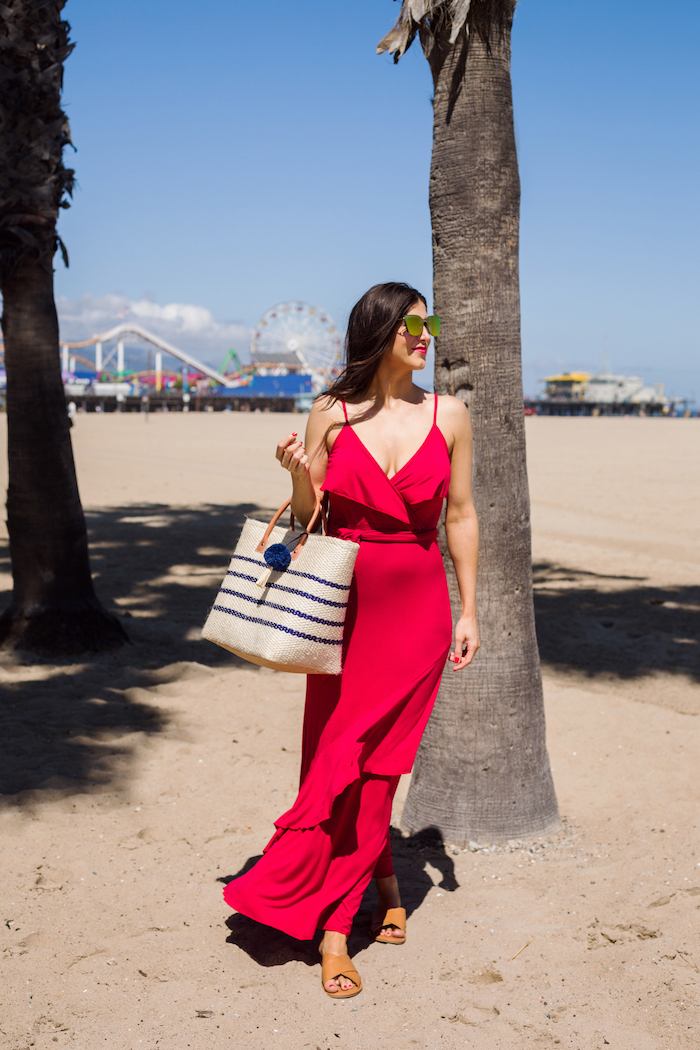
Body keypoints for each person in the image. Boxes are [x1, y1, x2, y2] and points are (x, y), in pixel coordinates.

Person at [224, 282, 479, 999]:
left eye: (430, 321)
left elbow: (460, 515)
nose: (426, 333)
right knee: (338, 756)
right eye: (413, 323)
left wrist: (470, 609)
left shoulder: (449, 413)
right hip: (347, 607)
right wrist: (298, 479)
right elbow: (311, 517)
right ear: (380, 331)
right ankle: (384, 881)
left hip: (421, 608)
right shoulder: (329, 415)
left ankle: (336, 930)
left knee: (379, 768)